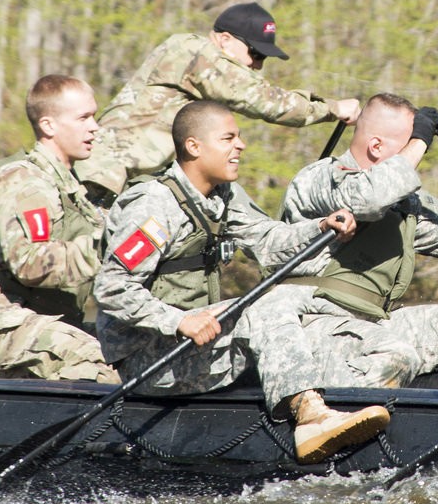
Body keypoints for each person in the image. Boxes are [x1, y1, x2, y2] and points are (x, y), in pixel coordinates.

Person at [87, 100, 392, 463]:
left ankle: (340, 402)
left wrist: (320, 226)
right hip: (151, 358)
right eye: (228, 138)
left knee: (302, 312)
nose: (241, 146)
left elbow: (268, 241)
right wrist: (179, 320)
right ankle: (310, 416)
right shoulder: (154, 205)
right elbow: (111, 287)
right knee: (269, 304)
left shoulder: (222, 197)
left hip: (192, 345)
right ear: (194, 147)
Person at [270, 93, 438, 388]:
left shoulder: (405, 204)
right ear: (375, 146)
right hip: (308, 324)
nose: (416, 158)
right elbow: (367, 199)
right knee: (397, 357)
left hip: (373, 323)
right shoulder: (322, 179)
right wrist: (421, 140)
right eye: (409, 147)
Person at [74, 2, 362, 199]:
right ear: (224, 39)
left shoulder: (194, 55)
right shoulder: (197, 54)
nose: (257, 65)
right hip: (103, 180)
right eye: (255, 53)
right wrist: (333, 108)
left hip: (121, 179)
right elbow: (267, 102)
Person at [0, 74, 120, 382]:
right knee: (100, 366)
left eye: (94, 116)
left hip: (49, 325)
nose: (94, 126)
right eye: (83, 117)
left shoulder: (73, 186)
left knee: (141, 354)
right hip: (0, 330)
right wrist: (108, 248)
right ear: (48, 126)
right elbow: (29, 264)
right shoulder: (24, 182)